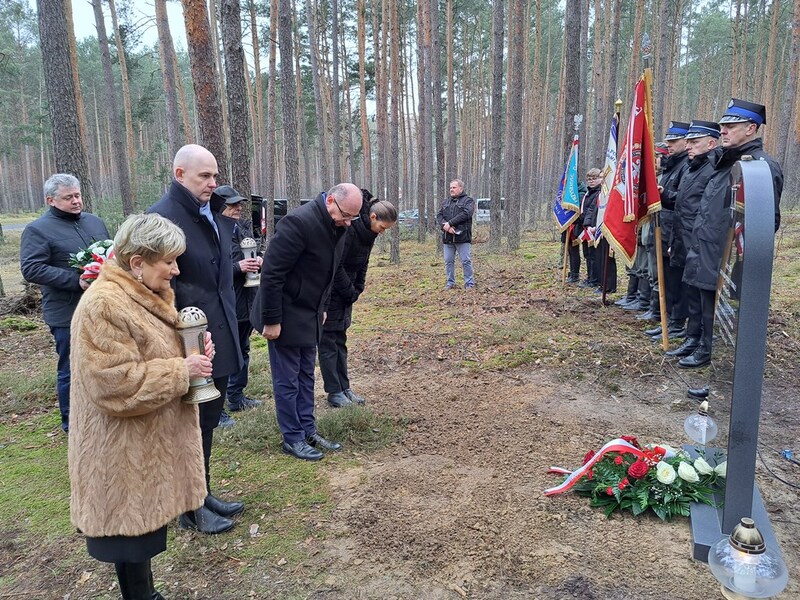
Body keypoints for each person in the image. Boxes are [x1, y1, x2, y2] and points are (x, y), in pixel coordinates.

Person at [69, 213, 212, 600]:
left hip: (143, 445)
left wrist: (192, 349)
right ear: (137, 262)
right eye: (169, 261)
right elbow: (114, 385)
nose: (176, 270)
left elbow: (151, 350)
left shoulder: (142, 293)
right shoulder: (103, 305)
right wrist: (181, 369)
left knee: (141, 535)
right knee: (128, 536)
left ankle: (146, 593)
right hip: (121, 450)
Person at [147, 144, 245, 533]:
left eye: (215, 175)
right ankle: (188, 507)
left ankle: (200, 493)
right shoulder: (161, 218)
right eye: (204, 176)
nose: (213, 183)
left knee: (206, 421)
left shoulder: (212, 212)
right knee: (188, 425)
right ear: (179, 174)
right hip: (185, 342)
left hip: (218, 334)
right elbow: (154, 286)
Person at [254, 183, 364, 461]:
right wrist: (271, 320)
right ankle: (292, 438)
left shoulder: (338, 227)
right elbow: (272, 274)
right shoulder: (298, 223)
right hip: (284, 313)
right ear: (330, 201)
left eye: (354, 217)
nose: (348, 223)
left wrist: (324, 307)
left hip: (311, 314)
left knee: (305, 376)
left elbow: (329, 272)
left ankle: (307, 430)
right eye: (346, 215)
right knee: (287, 380)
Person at [680, 99, 782, 368]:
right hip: (706, 246)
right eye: (723, 126)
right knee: (702, 299)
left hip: (728, 255)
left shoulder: (760, 167)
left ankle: (718, 364)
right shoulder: (723, 163)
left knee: (723, 314)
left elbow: (764, 223)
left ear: (751, 128)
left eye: (731, 126)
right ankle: (700, 344)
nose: (723, 130)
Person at [20, 174, 109, 433]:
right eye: (68, 197)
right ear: (51, 200)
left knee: (103, 361)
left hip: (101, 306)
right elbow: (32, 268)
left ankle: (102, 410)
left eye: (78, 195)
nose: (76, 201)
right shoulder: (38, 229)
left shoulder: (94, 222)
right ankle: (73, 422)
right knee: (71, 366)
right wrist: (75, 280)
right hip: (65, 310)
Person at [319, 193, 398, 407]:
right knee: (328, 343)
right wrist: (348, 291)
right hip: (330, 294)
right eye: (382, 227)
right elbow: (337, 265)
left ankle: (345, 388)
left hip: (347, 294)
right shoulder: (350, 230)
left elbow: (363, 263)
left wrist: (358, 288)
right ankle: (333, 392)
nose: (382, 233)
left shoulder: (368, 235)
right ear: (372, 217)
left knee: (340, 341)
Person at [664, 120, 720, 359]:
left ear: (711, 143)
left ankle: (700, 342)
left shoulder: (713, 168)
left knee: (699, 294)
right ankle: (691, 337)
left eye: (694, 142)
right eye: (688, 142)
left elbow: (706, 209)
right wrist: (665, 195)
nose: (689, 146)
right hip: (682, 237)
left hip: (700, 241)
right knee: (688, 290)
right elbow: (683, 203)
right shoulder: (690, 167)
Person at [213, 185, 264, 414]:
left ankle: (236, 397)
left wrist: (259, 261)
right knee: (221, 354)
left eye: (239, 204)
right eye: (232, 204)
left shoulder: (243, 229)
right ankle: (217, 408)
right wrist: (237, 267)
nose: (238, 208)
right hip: (225, 303)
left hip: (246, 301)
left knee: (243, 349)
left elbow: (251, 254)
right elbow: (210, 269)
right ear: (220, 207)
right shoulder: (213, 232)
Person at [437, 179, 475, 289]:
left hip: (462, 237)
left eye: (454, 187)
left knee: (466, 261)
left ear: (461, 188)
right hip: (447, 237)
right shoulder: (446, 202)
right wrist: (446, 226)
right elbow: (439, 216)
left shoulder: (468, 201)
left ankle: (469, 283)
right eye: (450, 188)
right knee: (448, 261)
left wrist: (450, 223)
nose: (451, 190)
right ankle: (450, 283)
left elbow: (466, 214)